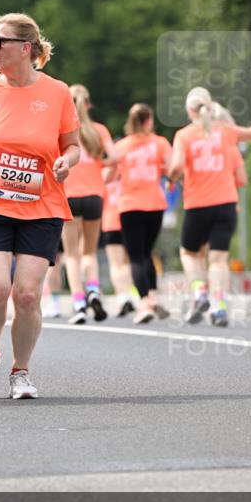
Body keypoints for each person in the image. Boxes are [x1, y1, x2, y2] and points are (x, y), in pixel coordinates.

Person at [0, 12, 80, 400]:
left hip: (41, 204)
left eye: (0, 42)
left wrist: (66, 162)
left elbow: (72, 145)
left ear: (25, 48)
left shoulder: (57, 92)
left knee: (26, 295)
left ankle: (21, 371)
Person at [169, 86, 251, 327]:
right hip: (226, 205)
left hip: (198, 205)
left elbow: (177, 167)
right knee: (219, 260)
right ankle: (219, 307)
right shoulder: (225, 132)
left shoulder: (184, 136)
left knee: (189, 253)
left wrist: (171, 179)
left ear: (189, 110)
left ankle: (199, 292)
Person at [62, 85, 116, 325]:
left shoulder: (63, 130)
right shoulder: (99, 130)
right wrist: (100, 169)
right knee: (89, 252)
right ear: (88, 104)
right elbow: (115, 158)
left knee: (71, 255)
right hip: (95, 196)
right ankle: (93, 288)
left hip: (70, 196)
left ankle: (79, 302)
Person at [114, 104, 172, 324]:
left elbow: (110, 172)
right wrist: (172, 178)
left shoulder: (122, 146)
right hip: (155, 204)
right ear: (149, 120)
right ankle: (153, 297)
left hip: (130, 205)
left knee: (136, 257)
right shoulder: (160, 143)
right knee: (147, 252)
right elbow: (172, 167)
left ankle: (145, 302)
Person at [100, 174, 136, 317]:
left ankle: (122, 297)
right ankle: (128, 294)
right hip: (128, 219)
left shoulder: (103, 173)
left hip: (110, 222)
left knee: (116, 264)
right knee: (128, 262)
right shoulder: (126, 173)